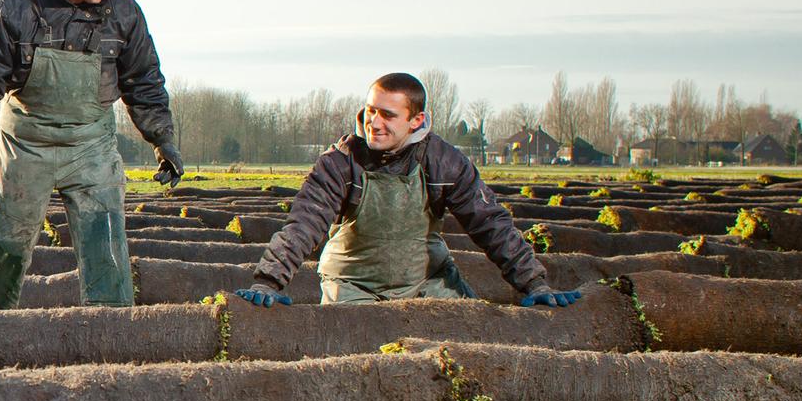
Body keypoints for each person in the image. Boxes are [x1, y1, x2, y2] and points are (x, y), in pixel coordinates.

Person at [0, 0, 182, 309]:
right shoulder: (15, 9)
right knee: (1, 246)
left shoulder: (124, 13)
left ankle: (112, 337)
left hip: (92, 146)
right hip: (26, 146)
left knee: (107, 248)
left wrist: (163, 139)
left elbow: (144, 81)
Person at [236, 72, 581, 310]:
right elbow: (304, 224)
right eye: (371, 111)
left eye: (388, 115)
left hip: (428, 282)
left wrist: (535, 284)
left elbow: (491, 224)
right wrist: (269, 282)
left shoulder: (445, 162)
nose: (374, 122)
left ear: (416, 120)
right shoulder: (341, 162)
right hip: (354, 285)